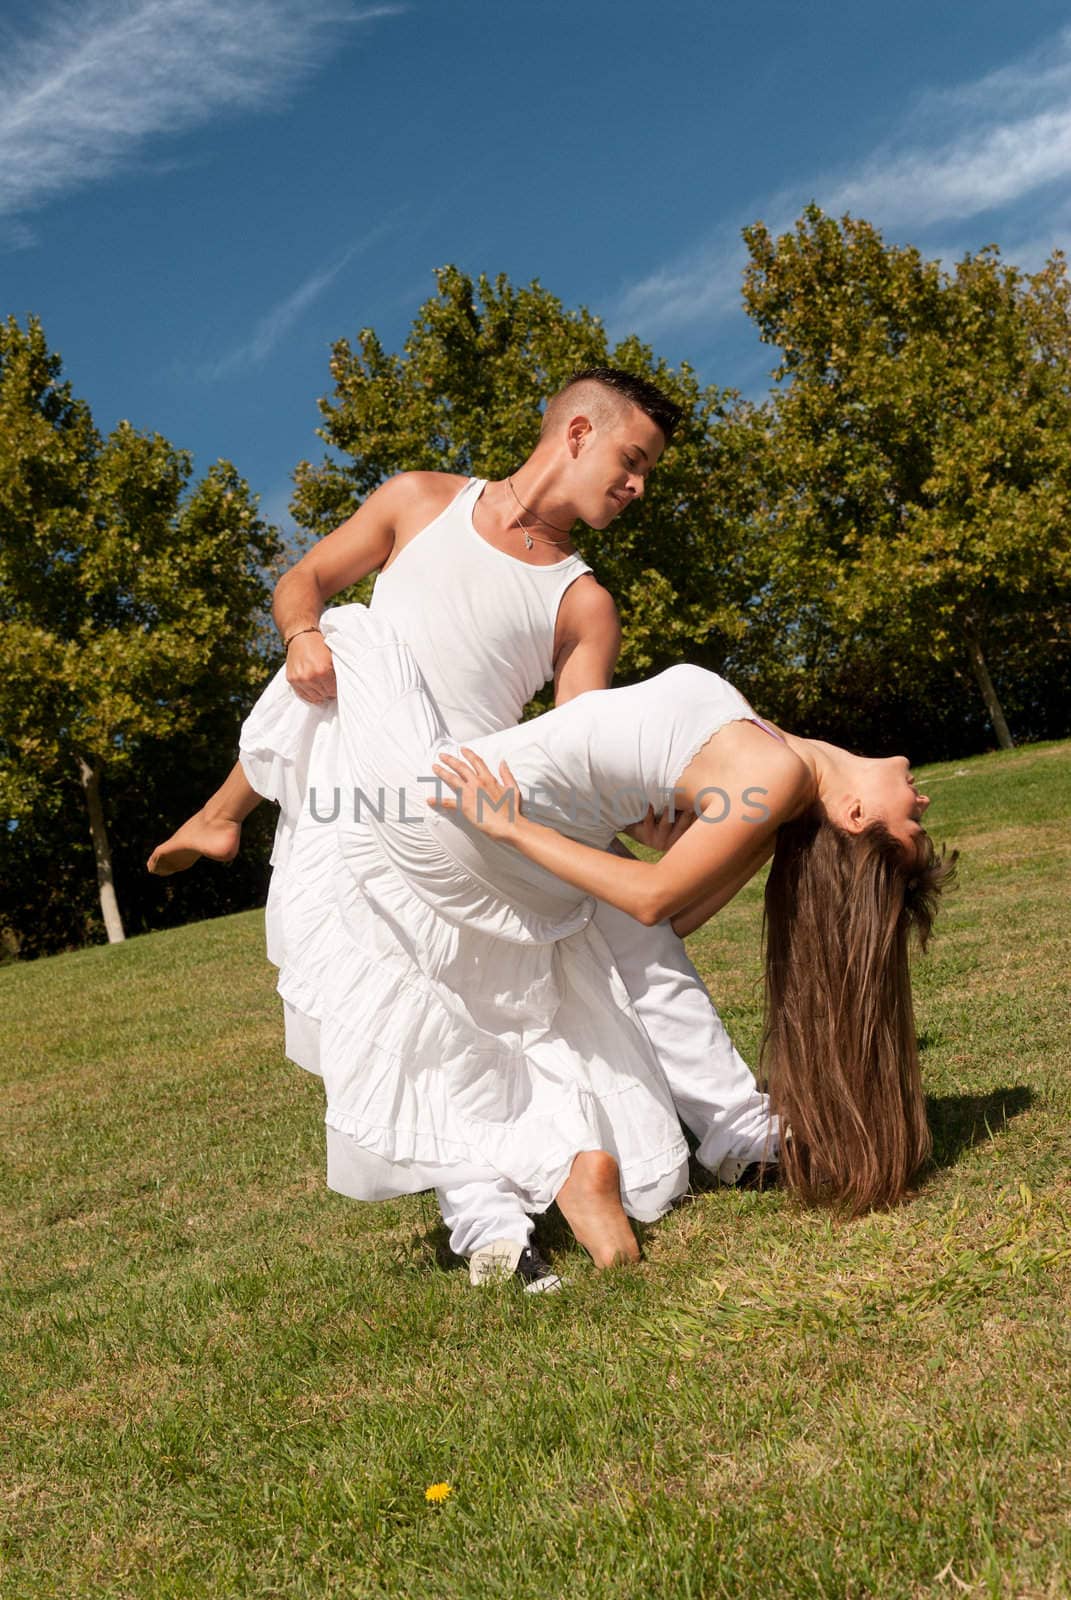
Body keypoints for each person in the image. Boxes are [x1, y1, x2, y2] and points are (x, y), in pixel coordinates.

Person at [149, 368, 775, 1286]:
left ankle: (741, 1134)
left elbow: (582, 746)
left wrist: (707, 824)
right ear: (573, 433)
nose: (638, 487)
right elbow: (305, 581)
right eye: (631, 461)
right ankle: (488, 1220)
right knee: (422, 1003)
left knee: (627, 939)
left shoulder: (581, 601)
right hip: (365, 790)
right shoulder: (418, 502)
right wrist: (301, 637)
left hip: (471, 809)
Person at [236, 599, 951, 1271]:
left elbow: (652, 901)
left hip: (465, 809)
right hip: (502, 835)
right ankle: (575, 1165)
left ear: (856, 814)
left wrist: (509, 824)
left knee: (347, 633)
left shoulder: (775, 775)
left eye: (911, 823)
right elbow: (666, 924)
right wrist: (633, 804)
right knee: (508, 997)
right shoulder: (776, 782)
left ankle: (218, 819)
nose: (920, 800)